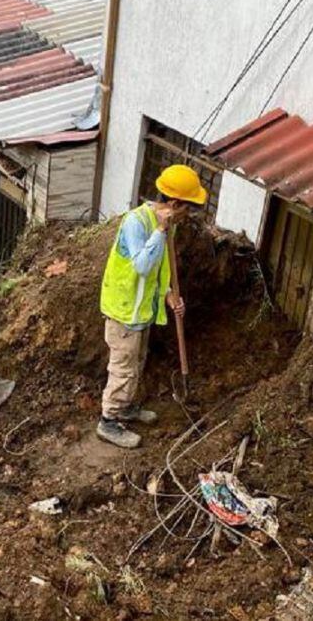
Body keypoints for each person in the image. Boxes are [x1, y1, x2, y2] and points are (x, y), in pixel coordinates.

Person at [96, 165, 207, 448]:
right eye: (187, 209)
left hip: (141, 311)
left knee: (137, 364)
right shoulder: (138, 223)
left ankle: (126, 408)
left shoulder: (167, 228)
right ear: (174, 204)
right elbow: (143, 266)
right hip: (123, 310)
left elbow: (160, 269)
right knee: (122, 369)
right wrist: (160, 230)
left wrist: (169, 294)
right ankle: (108, 421)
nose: (187, 216)